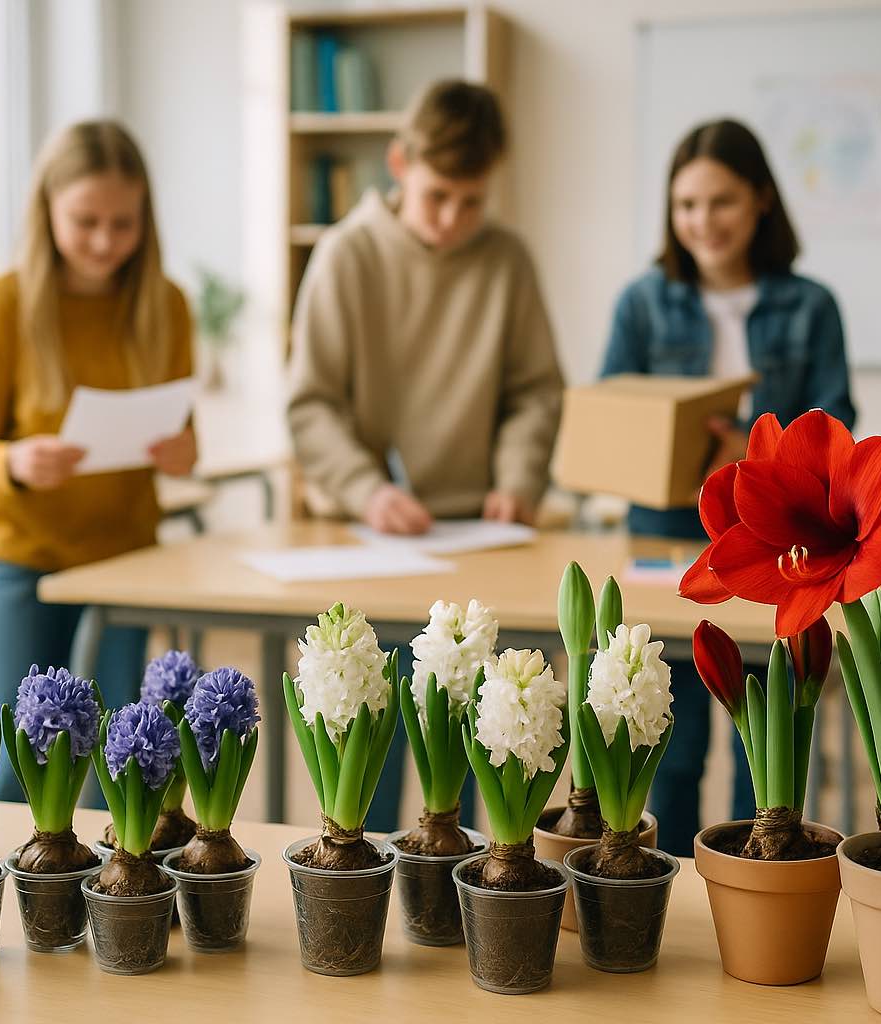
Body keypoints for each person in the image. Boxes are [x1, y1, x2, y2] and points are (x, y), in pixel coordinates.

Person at [286, 80, 565, 830]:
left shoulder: (508, 261)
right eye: (438, 195)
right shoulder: (346, 256)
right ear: (399, 162)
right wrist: (366, 488)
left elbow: (535, 391)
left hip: (480, 536)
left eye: (471, 202)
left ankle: (464, 900)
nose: (451, 219)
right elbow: (310, 403)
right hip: (371, 536)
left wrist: (517, 478)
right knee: (366, 748)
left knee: (476, 751)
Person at [602, 118, 856, 856]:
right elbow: (607, 417)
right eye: (686, 205)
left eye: (721, 203)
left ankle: (760, 874)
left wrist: (745, 441)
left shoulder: (812, 304)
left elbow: (836, 429)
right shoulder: (642, 301)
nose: (702, 223)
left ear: (762, 202)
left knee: (767, 739)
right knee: (672, 746)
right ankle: (672, 891)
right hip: (661, 535)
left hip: (781, 547)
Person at [0, 120, 197, 801]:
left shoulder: (165, 305)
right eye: (85, 220)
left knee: (125, 748)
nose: (104, 241)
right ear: (47, 212)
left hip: (122, 558)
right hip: (18, 555)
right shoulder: (2, 304)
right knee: (23, 748)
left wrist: (182, 451)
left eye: (123, 223)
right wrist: (16, 462)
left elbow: (186, 439)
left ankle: (112, 896)